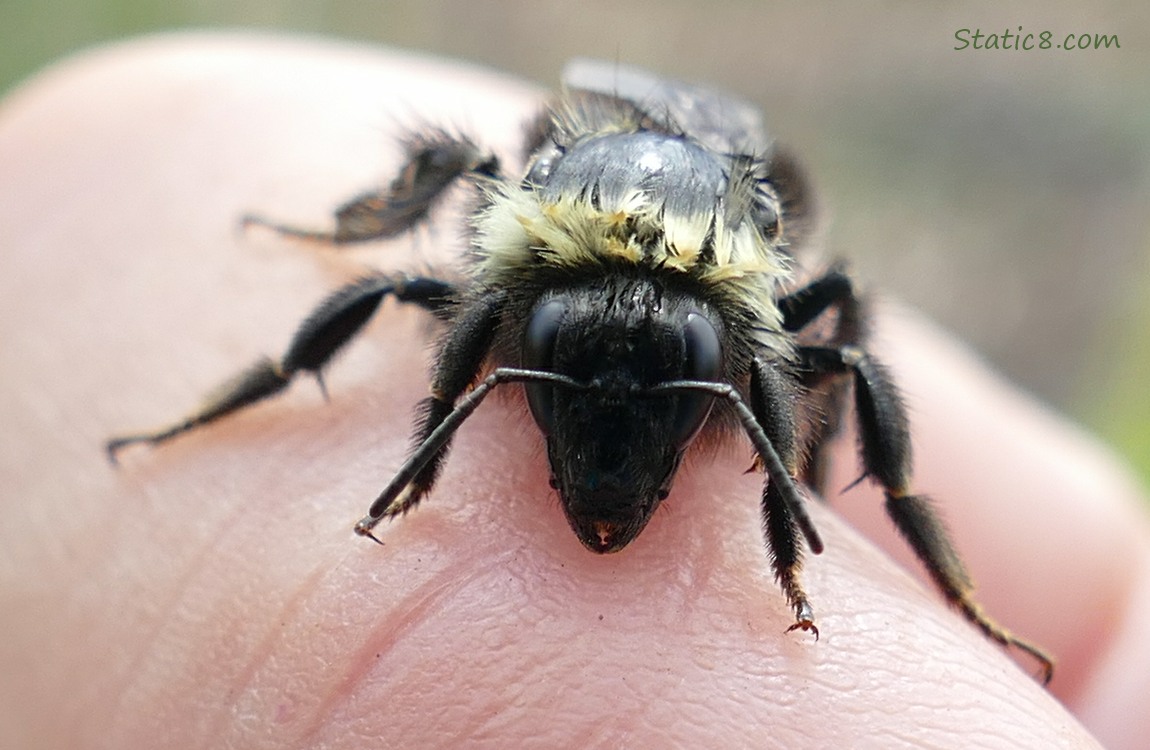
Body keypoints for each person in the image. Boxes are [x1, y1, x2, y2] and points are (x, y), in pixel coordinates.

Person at [2, 33, 1147, 748]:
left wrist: (801, 477)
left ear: (734, 351)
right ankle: (254, 377)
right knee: (413, 268)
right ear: (513, 320)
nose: (617, 415)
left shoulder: (756, 310)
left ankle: (804, 535)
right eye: (543, 352)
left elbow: (829, 319)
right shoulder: (508, 279)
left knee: (839, 344)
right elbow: (449, 198)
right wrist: (369, 319)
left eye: (681, 384)